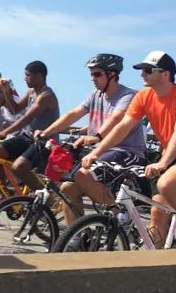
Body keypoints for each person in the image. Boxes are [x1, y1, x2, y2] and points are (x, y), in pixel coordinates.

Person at [82, 50, 176, 248]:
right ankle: (156, 261)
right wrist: (96, 152)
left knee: (166, 185)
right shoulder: (144, 96)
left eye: (147, 70)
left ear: (165, 74)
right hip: (169, 153)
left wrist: (162, 163)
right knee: (157, 211)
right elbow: (123, 126)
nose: (142, 74)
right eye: (141, 70)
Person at [37, 54, 146, 226]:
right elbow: (73, 114)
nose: (92, 79)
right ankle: (76, 236)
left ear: (112, 74)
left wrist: (97, 136)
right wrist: (46, 132)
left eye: (97, 74)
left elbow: (116, 118)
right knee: (67, 189)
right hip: (100, 151)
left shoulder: (128, 95)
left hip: (125, 151)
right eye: (91, 74)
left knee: (82, 175)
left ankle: (117, 214)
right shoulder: (95, 95)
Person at [0, 61, 60, 191]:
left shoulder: (46, 96)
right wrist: (6, 93)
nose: (24, 78)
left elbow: (27, 118)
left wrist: (3, 132)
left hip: (44, 142)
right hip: (27, 137)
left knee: (18, 167)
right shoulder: (31, 91)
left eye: (28, 75)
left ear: (39, 76)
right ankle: (5, 193)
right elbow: (15, 109)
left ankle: (44, 196)